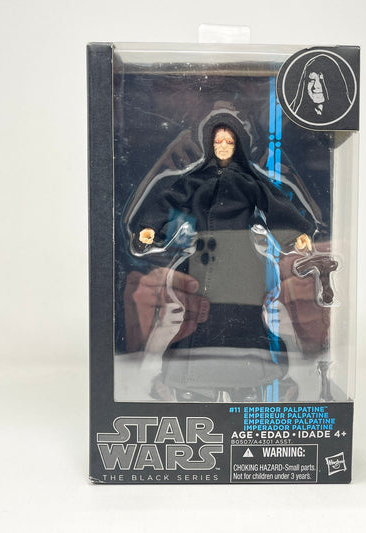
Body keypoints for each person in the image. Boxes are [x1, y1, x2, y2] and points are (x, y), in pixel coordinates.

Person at [123, 110, 320, 401]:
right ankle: (194, 380)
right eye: (218, 141)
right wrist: (149, 229)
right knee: (200, 316)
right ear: (210, 144)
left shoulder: (249, 180)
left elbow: (275, 203)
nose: (223, 146)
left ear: (237, 144)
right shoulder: (196, 179)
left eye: (229, 141)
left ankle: (250, 380)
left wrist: (296, 234)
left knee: (246, 317)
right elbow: (168, 198)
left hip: (243, 259)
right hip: (204, 259)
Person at [289, 54, 353, 124]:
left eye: (322, 80)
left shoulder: (348, 119)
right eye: (311, 80)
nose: (316, 86)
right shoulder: (295, 115)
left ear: (335, 84)